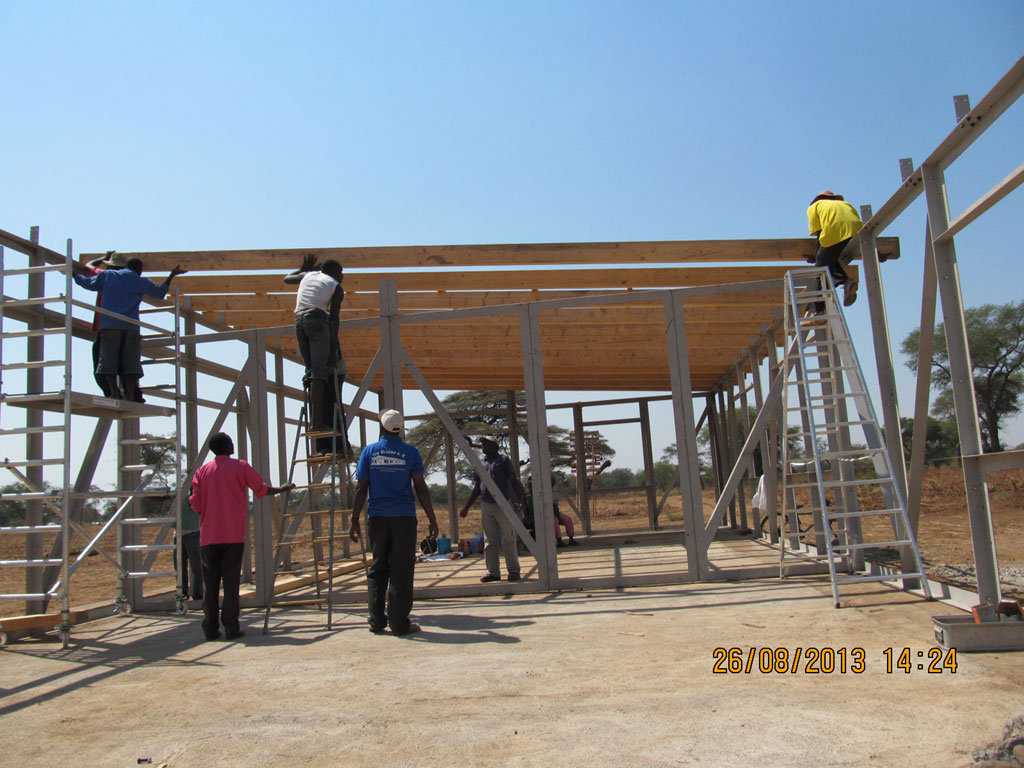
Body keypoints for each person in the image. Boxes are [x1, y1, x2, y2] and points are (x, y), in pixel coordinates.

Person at [189, 432, 294, 641]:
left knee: (210, 586)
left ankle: (210, 628)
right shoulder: (241, 466)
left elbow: (196, 504)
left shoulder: (202, 472)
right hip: (232, 535)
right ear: (227, 446)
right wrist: (282, 489)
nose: (233, 444)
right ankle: (231, 626)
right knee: (230, 583)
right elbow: (261, 490)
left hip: (208, 537)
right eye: (230, 441)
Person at [349, 409, 439, 636]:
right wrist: (432, 518)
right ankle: (399, 623)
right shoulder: (411, 453)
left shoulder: (369, 452)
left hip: (377, 517)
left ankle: (376, 621)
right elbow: (420, 487)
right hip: (403, 518)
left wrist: (354, 519)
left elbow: (361, 487)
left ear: (381, 427)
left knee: (379, 567)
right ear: (400, 430)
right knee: (401, 569)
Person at [72, 257, 186, 402]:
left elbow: (87, 283)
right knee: (130, 362)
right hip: (131, 327)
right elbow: (159, 293)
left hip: (110, 324)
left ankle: (114, 392)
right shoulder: (140, 281)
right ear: (139, 271)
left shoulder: (108, 275)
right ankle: (131, 394)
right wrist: (171, 275)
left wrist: (74, 275)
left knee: (108, 360)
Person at [285, 255, 346, 435]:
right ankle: (317, 422)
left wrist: (303, 269)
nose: (342, 276)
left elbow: (287, 278)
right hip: (318, 320)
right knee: (320, 373)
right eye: (341, 273)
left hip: (299, 320)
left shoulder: (308, 276)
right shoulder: (336, 286)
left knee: (311, 371)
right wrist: (332, 350)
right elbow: (334, 319)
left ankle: (315, 418)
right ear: (334, 272)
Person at [459, 436, 526, 583]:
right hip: (487, 504)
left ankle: (513, 571)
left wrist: (520, 498)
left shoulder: (503, 460)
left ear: (495, 446)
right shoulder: (481, 463)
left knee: (508, 538)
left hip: (503, 503)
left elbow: (513, 479)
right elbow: (477, 487)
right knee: (489, 540)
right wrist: (467, 507)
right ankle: (493, 572)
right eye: (482, 443)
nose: (483, 446)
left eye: (486, 443)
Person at [806, 190, 861, 308]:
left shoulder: (814, 207)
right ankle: (846, 281)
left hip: (835, 234)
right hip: (858, 234)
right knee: (830, 260)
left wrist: (817, 256)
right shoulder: (846, 204)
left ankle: (818, 309)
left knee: (820, 271)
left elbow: (820, 234)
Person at [177, 498, 204, 601]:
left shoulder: (193, 492)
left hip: (192, 532)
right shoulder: (177, 491)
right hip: (179, 534)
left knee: (196, 567)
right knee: (180, 567)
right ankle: (183, 594)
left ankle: (198, 594)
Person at [552, 475, 579, 548]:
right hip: (548, 513)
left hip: (555, 511)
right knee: (555, 522)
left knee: (568, 519)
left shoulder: (554, 492)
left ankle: (571, 539)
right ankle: (559, 540)